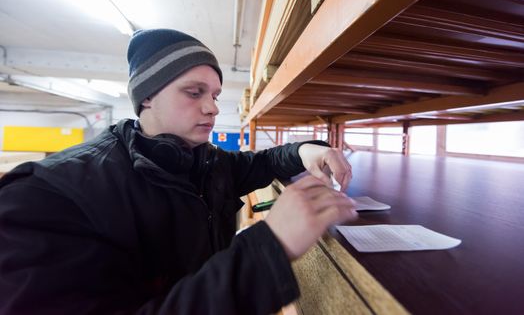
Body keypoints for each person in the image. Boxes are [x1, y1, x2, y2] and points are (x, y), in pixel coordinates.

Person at [0, 29, 357, 314]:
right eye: (193, 92)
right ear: (147, 97)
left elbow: (260, 163)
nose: (212, 107)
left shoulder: (204, 160)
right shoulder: (47, 199)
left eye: (215, 95)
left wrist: (304, 149)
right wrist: (268, 248)